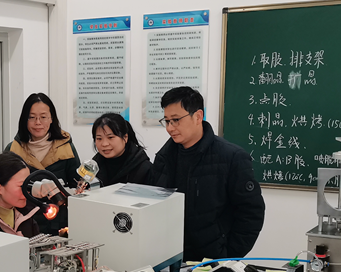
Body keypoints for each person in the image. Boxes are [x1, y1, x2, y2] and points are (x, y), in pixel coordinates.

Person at [150, 86, 265, 261]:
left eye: (176, 120)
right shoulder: (163, 158)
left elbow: (251, 213)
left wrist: (227, 256)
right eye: (166, 121)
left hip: (213, 260)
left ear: (198, 116)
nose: (170, 128)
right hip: (170, 258)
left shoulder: (232, 157)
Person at [4, 93, 80, 234]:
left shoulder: (65, 147)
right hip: (24, 221)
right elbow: (5, 188)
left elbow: (76, 184)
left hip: (59, 222)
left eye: (43, 117)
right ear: (24, 120)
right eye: (32, 117)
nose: (38, 122)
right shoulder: (13, 149)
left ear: (51, 119)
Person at [91, 113, 151, 186]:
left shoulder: (144, 168)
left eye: (110, 137)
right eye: (99, 138)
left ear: (125, 138)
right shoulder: (93, 166)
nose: (104, 144)